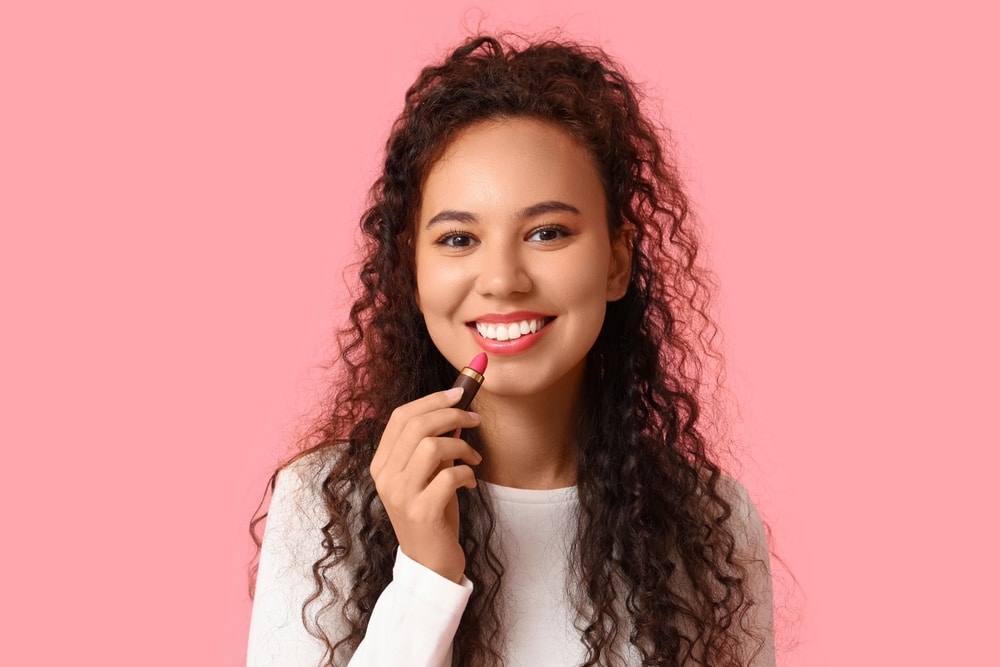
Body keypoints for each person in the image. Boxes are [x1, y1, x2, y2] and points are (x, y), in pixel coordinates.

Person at [247, 34, 775, 667]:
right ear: (412, 272)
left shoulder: (709, 523)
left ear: (616, 261)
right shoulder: (323, 505)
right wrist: (424, 577)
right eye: (458, 238)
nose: (502, 279)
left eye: (548, 232)